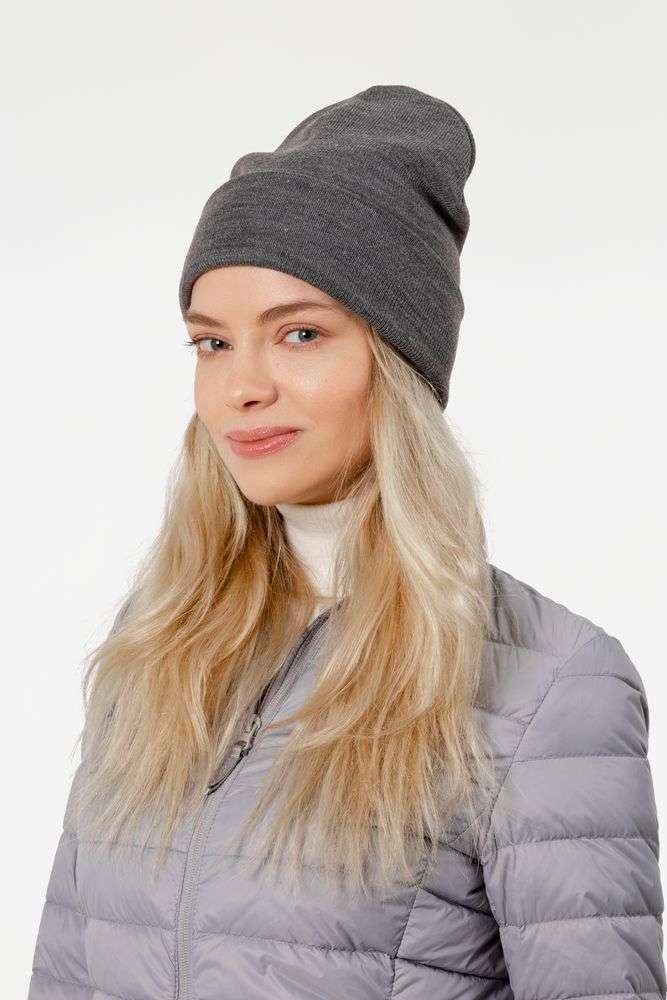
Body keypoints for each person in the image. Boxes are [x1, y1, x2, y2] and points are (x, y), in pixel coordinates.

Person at [28, 84, 665, 1000]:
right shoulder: (158, 645)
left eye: (299, 333)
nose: (241, 388)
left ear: (397, 361)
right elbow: (65, 974)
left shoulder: (546, 685)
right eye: (211, 344)